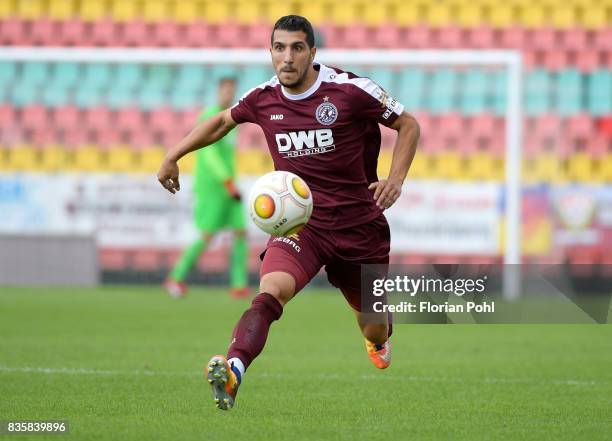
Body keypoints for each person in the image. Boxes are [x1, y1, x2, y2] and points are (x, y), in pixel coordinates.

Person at [157, 15, 420, 410]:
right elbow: (220, 123)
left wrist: (395, 179)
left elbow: (408, 124)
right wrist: (173, 155)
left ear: (313, 52)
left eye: (297, 48)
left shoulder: (350, 91)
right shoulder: (263, 98)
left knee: (373, 323)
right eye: (279, 48)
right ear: (270, 53)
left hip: (359, 227)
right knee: (270, 292)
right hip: (301, 227)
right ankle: (232, 371)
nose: (287, 57)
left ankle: (378, 337)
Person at [164, 77, 249, 299]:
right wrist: (226, 180)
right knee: (206, 234)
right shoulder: (210, 115)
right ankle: (176, 277)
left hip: (230, 186)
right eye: (225, 90)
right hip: (213, 187)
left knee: (240, 231)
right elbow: (208, 154)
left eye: (232, 90)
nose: (228, 94)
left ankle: (238, 284)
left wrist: (231, 181)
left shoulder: (233, 118)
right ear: (218, 91)